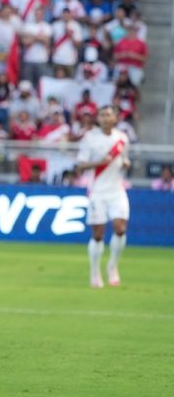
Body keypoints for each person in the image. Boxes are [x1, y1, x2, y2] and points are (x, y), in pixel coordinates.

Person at [76, 106, 131, 288]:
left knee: (120, 227)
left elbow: (123, 161)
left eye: (108, 115)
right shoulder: (90, 138)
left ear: (115, 118)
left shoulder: (122, 138)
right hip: (98, 191)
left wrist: (125, 164)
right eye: (102, 115)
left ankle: (112, 265)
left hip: (117, 190)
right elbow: (80, 165)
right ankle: (94, 271)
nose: (105, 118)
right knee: (98, 233)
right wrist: (100, 162)